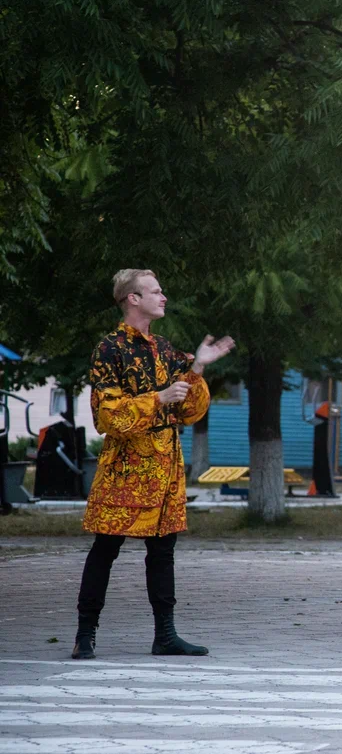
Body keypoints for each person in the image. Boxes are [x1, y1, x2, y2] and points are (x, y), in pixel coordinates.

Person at [72, 269, 235, 660]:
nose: (163, 296)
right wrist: (158, 399)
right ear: (132, 298)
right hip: (125, 468)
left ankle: (165, 634)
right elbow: (107, 417)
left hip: (165, 468)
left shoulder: (164, 349)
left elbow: (191, 412)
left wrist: (197, 370)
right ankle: (84, 633)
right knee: (105, 549)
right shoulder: (109, 349)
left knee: (163, 551)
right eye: (155, 291)